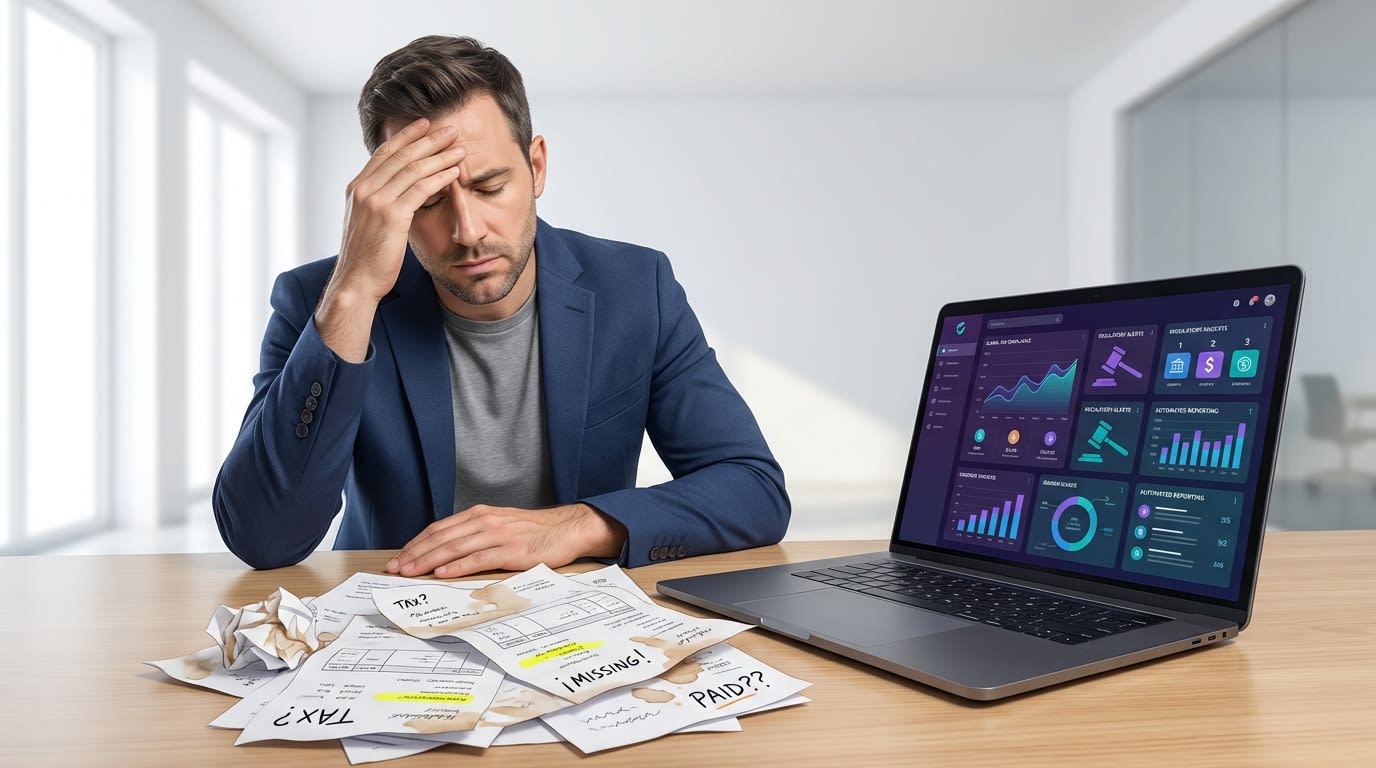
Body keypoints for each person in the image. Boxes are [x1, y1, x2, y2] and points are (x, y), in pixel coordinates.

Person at [212, 35, 789, 576]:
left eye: (489, 188)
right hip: (391, 615)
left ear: (536, 167)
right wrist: (353, 292)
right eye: (428, 201)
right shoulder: (321, 301)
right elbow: (263, 537)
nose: (467, 230)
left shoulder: (637, 288)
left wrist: (576, 526)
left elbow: (752, 487)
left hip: (581, 618)